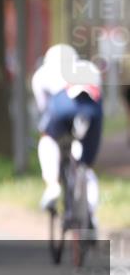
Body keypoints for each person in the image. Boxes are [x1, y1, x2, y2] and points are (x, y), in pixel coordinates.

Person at [31, 43, 104, 229]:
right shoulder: (89, 68)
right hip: (92, 112)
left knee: (47, 139)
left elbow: (43, 107)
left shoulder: (41, 74)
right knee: (85, 167)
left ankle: (52, 185)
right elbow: (99, 93)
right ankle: (91, 214)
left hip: (62, 108)